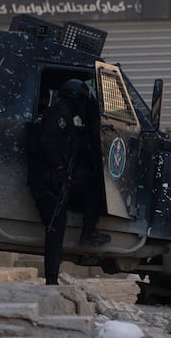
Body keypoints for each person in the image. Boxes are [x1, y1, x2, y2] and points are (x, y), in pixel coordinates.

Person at [27, 78, 111, 285]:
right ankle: (52, 280)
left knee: (91, 187)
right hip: (48, 182)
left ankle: (86, 234)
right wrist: (61, 170)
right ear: (75, 99)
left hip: (53, 179)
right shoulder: (59, 114)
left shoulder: (62, 113)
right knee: (56, 227)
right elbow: (48, 142)